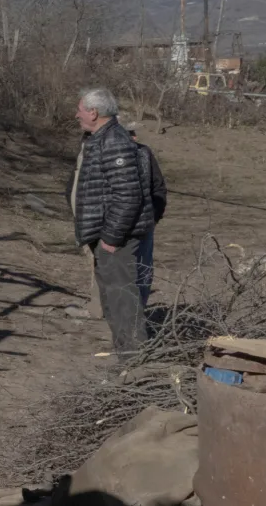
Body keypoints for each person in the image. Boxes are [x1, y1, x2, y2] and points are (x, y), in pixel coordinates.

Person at [67, 88, 154, 353]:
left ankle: (134, 365)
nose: (76, 115)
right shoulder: (98, 139)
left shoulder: (114, 141)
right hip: (104, 236)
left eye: (80, 110)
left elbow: (128, 195)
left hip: (117, 240)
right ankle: (126, 359)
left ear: (93, 113)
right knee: (115, 304)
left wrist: (111, 238)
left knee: (123, 304)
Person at [129, 130, 167, 308]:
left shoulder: (144, 153)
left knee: (143, 269)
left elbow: (158, 187)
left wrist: (154, 217)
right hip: (110, 226)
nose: (134, 137)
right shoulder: (99, 152)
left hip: (144, 224)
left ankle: (139, 312)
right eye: (129, 133)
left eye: (135, 133)